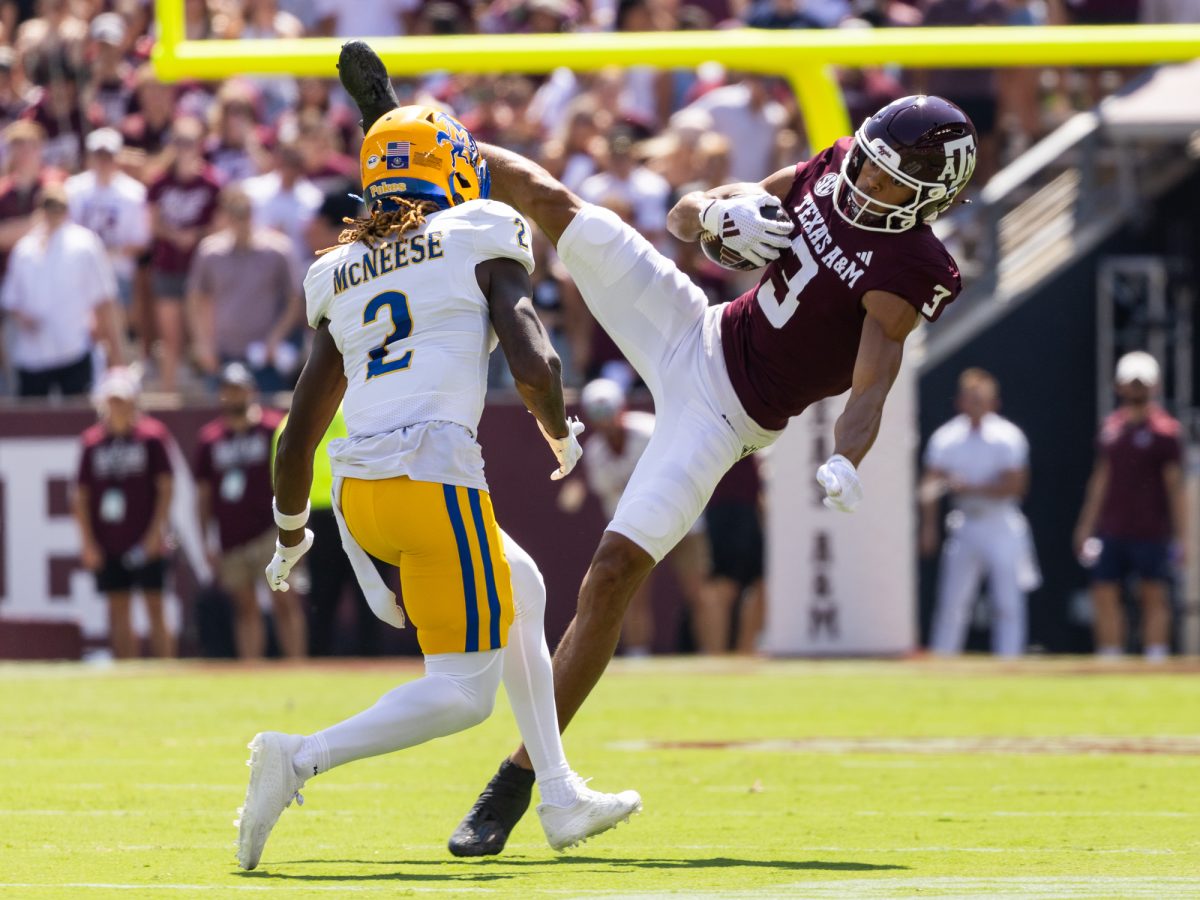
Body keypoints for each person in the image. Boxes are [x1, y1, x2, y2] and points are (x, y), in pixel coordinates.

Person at [338, 41, 976, 857]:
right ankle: (401, 126)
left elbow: (874, 382)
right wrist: (712, 211)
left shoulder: (914, 264)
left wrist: (849, 457)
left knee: (610, 574)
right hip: (691, 324)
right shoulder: (838, 164)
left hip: (723, 420)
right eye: (873, 166)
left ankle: (517, 781)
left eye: (892, 181)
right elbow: (686, 218)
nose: (870, 184)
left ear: (933, 197)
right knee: (547, 195)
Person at [234, 104, 640, 871]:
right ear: (452, 167)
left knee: (520, 583)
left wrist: (292, 536)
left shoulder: (337, 268)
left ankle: (556, 795)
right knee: (461, 693)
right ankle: (298, 757)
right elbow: (536, 361)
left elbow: (297, 438)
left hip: (358, 497)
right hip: (430, 478)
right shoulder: (481, 229)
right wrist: (557, 428)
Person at [560, 377, 713, 655]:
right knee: (631, 593)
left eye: (609, 412)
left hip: (684, 519)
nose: (605, 421)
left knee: (698, 590)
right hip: (637, 529)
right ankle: (638, 654)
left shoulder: (649, 431)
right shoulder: (595, 454)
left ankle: (712, 653)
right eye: (598, 414)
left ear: (622, 408)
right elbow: (612, 501)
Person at [1073, 352, 1186, 661]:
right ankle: (1110, 657)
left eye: (1142, 384)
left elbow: (1174, 488)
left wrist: (1182, 537)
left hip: (1151, 529)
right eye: (1131, 384)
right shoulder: (1111, 428)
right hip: (1113, 527)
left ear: (1154, 387)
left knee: (1153, 595)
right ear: (1119, 386)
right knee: (1104, 592)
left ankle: (1155, 657)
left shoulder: (1166, 432)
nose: (1136, 390)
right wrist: (1086, 525)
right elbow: (1101, 479)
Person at [919, 368, 1038, 657]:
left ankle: (1009, 661)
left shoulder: (1008, 436)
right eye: (970, 399)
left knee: (1007, 602)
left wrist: (967, 486)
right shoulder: (946, 438)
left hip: (1001, 524)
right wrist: (929, 527)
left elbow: (1016, 486)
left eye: (981, 399)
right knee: (952, 602)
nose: (975, 405)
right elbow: (929, 486)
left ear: (994, 402)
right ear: (959, 401)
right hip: (965, 523)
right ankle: (943, 662)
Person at [195, 362, 306, 659]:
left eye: (239, 390)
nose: (233, 397)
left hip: (270, 530)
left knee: (284, 600)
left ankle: (298, 666)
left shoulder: (271, 428)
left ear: (252, 391)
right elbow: (204, 496)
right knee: (244, 606)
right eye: (228, 391)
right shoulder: (210, 440)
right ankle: (250, 669)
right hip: (232, 534)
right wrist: (207, 538)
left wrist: (292, 528)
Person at [73, 366, 174, 659]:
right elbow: (80, 497)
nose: (117, 406)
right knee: (118, 608)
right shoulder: (92, 442)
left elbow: (165, 489)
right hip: (109, 539)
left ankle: (165, 672)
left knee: (155, 605)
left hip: (145, 536)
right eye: (112, 400)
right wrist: (88, 543)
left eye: (122, 399)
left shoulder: (152, 438)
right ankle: (126, 672)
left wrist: (156, 533)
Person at [2, 182, 124, 397]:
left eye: (58, 207)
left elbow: (104, 298)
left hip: (74, 347)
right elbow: (11, 298)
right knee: (33, 421)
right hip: (33, 353)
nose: (53, 214)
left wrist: (115, 356)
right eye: (49, 207)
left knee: (78, 415)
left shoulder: (84, 244)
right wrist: (23, 316)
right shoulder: (25, 249)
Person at [186, 185, 302, 391]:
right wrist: (203, 344)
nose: (241, 222)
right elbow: (195, 299)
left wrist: (276, 339)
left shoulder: (277, 251)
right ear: (225, 217)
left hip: (263, 356)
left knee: (268, 417)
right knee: (222, 417)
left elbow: (295, 299)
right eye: (235, 215)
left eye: (244, 214)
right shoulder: (210, 252)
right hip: (222, 353)